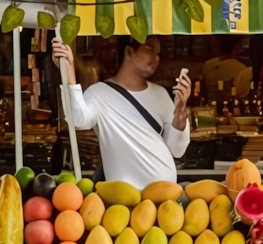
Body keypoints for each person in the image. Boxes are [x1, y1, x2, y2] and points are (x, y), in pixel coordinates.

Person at [52, 35, 190, 190]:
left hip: (165, 190)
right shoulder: (100, 93)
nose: (156, 58)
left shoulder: (161, 94)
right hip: (124, 194)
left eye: (158, 53)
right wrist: (68, 71)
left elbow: (177, 150)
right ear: (129, 51)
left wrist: (181, 112)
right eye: (150, 49)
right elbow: (78, 119)